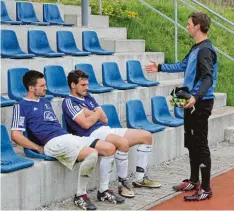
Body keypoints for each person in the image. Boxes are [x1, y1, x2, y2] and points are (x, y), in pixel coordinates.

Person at [10, 70, 124, 210]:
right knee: (91, 154)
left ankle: (103, 191)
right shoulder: (20, 106)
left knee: (109, 148)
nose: (46, 88)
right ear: (31, 88)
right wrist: (38, 148)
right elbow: (15, 135)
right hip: (52, 143)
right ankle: (80, 195)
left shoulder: (45, 102)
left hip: (65, 137)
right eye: (42, 85)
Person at [146, 12, 218, 201]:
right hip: (190, 102)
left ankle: (206, 188)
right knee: (191, 142)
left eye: (188, 24)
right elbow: (183, 65)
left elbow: (207, 78)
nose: (186, 27)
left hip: (200, 103)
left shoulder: (206, 50)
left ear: (197, 26)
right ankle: (194, 180)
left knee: (200, 144)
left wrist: (196, 96)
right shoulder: (196, 48)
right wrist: (160, 67)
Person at [62, 69, 162, 199]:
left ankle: (140, 178)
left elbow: (104, 119)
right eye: (83, 85)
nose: (86, 87)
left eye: (87, 84)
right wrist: (96, 113)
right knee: (123, 143)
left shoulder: (88, 97)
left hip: (105, 129)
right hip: (91, 134)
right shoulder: (69, 101)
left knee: (146, 136)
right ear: (73, 85)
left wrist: (90, 113)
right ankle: (122, 183)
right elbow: (85, 124)